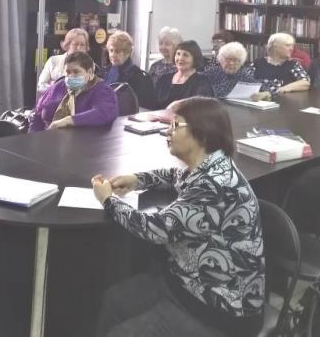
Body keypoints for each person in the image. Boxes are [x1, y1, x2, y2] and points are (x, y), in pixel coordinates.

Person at [92, 97, 264, 337]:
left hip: (219, 309)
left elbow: (154, 229)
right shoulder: (208, 166)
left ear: (201, 134)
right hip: (186, 283)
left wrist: (108, 200)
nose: (167, 132)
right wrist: (137, 179)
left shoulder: (214, 185)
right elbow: (175, 175)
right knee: (115, 299)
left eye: (175, 126)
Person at [30, 51, 118, 131]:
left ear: (90, 73)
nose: (71, 76)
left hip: (81, 141)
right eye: (68, 72)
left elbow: (105, 113)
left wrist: (68, 120)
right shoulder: (58, 86)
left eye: (76, 72)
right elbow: (38, 112)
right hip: (46, 137)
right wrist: (33, 137)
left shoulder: (101, 89)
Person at [240, 32, 310, 101]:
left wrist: (283, 89)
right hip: (256, 102)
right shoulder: (257, 63)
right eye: (287, 45)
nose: (291, 49)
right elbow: (243, 81)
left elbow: (305, 83)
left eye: (292, 46)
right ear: (275, 46)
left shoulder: (292, 64)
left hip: (282, 103)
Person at [100, 30, 155, 109]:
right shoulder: (106, 71)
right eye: (111, 51)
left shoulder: (137, 75)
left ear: (127, 53)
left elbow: (141, 106)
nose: (113, 55)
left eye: (117, 51)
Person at [154, 40, 214, 108]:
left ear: (195, 58)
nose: (180, 58)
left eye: (185, 55)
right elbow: (153, 104)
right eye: (178, 54)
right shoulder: (164, 79)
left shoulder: (202, 82)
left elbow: (201, 109)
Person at [37, 28, 89, 92]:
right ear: (67, 45)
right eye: (75, 44)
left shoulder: (90, 65)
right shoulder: (53, 61)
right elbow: (40, 85)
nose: (79, 48)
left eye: (82, 45)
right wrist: (56, 88)